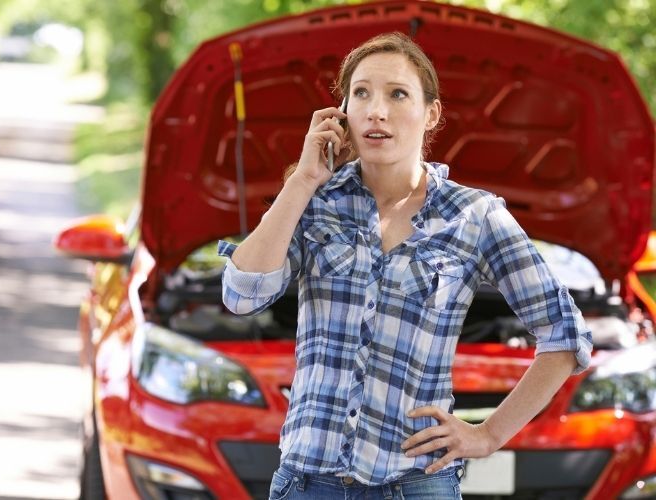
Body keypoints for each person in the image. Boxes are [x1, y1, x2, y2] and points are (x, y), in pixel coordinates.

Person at [218, 32, 592, 500]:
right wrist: (303, 180)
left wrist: (488, 434)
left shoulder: (474, 216)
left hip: (416, 485)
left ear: (431, 113)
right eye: (361, 94)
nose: (377, 110)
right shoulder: (314, 202)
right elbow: (242, 296)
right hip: (307, 483)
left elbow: (564, 333)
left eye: (397, 94)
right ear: (342, 112)